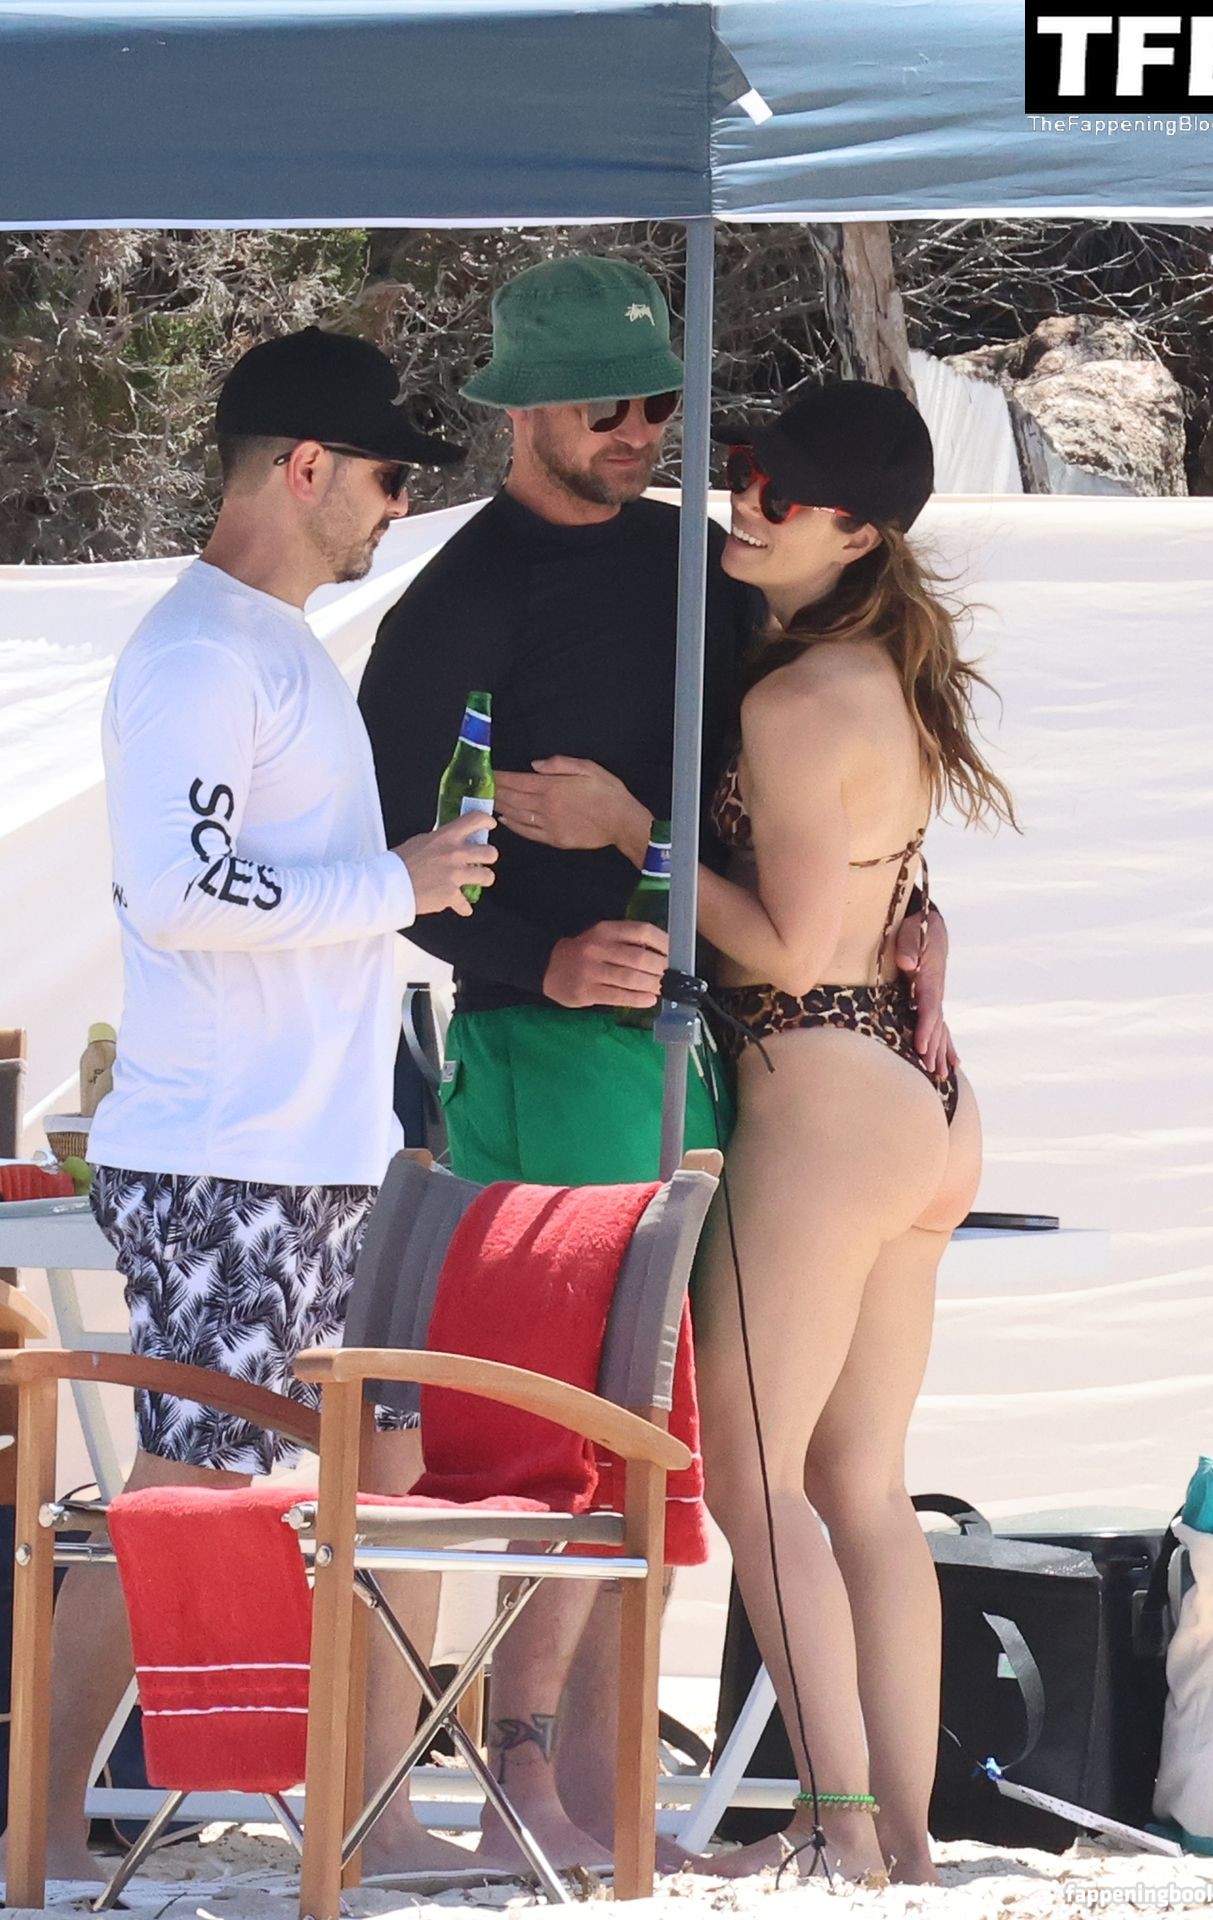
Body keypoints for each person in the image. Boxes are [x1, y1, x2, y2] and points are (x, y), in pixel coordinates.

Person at [360, 263, 953, 1871]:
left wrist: (912, 918)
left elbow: (822, 804)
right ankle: (528, 1770)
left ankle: (611, 1787)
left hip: (712, 1057)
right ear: (524, 414)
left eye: (662, 407)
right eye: (608, 408)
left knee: (664, 1445)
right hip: (551, 1047)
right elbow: (377, 867)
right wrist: (533, 960)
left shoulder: (707, 567)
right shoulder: (451, 605)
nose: (644, 434)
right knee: (569, 1427)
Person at [2, 327, 498, 1890]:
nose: (399, 508)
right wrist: (395, 884)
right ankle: (38, 1825)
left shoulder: (268, 646)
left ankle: (379, 1814)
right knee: (196, 1491)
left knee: (387, 1475)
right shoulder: (203, 657)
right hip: (228, 1155)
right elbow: (178, 890)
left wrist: (389, 894)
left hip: (321, 1151)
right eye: (391, 477)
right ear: (306, 466)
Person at [516, 381, 1009, 1883]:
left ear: (857, 533)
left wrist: (632, 832)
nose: (746, 503)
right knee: (863, 1489)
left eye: (781, 495)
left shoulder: (795, 700)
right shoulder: (880, 669)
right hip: (919, 1100)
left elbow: (784, 947)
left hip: (821, 1088)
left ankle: (843, 1833)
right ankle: (902, 1839)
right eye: (741, 470)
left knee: (752, 1479)